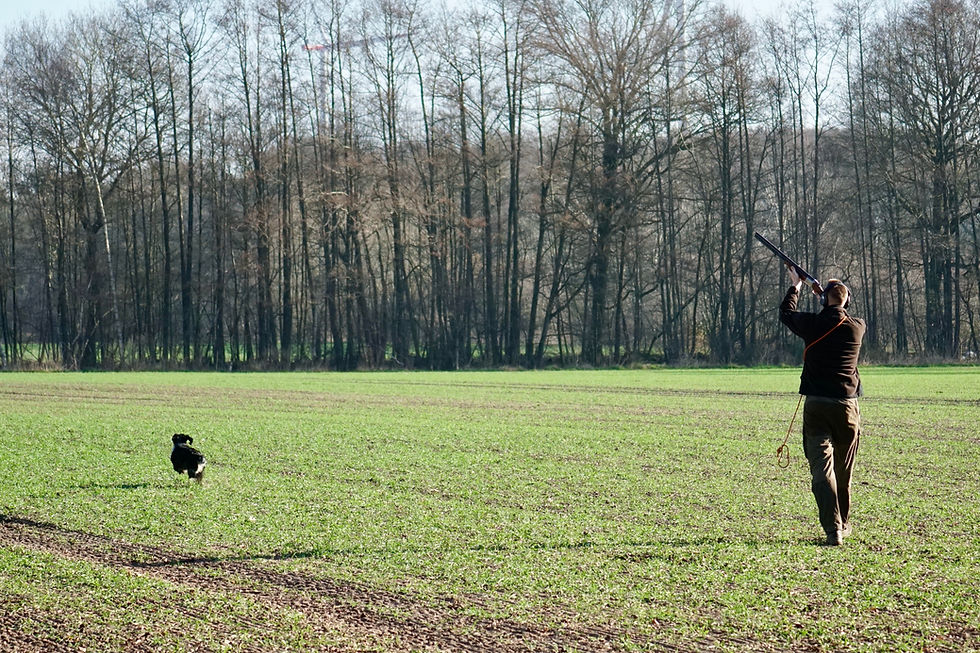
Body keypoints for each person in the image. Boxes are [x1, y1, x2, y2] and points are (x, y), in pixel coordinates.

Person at [779, 265, 867, 546]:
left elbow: (787, 315)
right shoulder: (857, 327)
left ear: (823, 301)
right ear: (848, 301)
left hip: (817, 407)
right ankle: (845, 522)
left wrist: (797, 286)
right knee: (843, 470)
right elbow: (839, 311)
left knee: (821, 468)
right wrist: (827, 295)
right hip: (847, 408)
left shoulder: (814, 324)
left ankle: (833, 530)